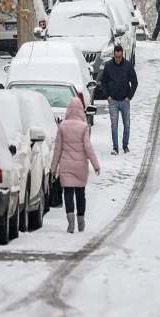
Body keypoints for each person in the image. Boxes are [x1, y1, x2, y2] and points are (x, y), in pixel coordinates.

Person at [51, 97, 100, 233]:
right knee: (80, 193)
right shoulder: (84, 127)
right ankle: (81, 219)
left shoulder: (62, 127)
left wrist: (53, 168)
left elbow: (57, 149)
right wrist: (95, 165)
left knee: (68, 193)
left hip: (66, 165)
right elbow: (88, 147)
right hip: (80, 166)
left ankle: (70, 220)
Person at [101, 44, 138, 155]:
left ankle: (125, 146)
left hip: (125, 100)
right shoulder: (108, 66)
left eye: (120, 57)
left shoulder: (128, 65)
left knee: (127, 125)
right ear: (114, 55)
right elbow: (103, 82)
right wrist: (107, 96)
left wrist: (129, 97)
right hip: (113, 101)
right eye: (116, 57)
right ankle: (115, 147)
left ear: (122, 55)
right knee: (114, 125)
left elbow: (135, 82)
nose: (118, 59)